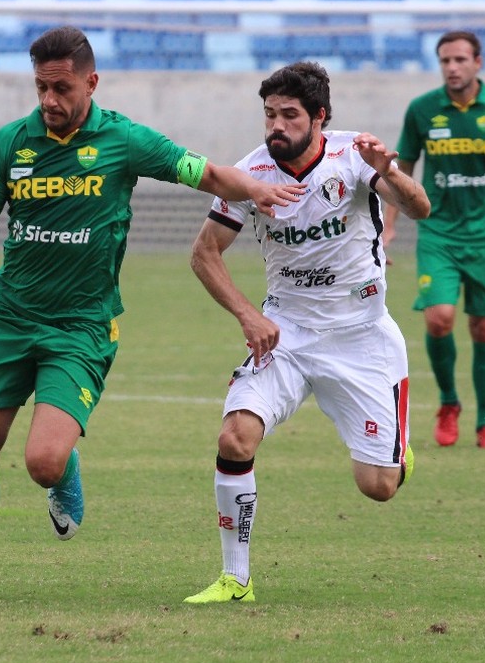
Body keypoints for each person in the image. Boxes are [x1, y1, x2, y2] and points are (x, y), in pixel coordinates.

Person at [0, 25, 305, 602]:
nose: (50, 101)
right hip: (9, 317)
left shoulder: (122, 140)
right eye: (40, 89)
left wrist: (254, 188)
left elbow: (200, 170)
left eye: (61, 88)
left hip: (81, 326)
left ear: (91, 82)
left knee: (43, 463)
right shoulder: (12, 142)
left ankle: (65, 471)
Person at [182, 62, 430, 604]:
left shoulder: (353, 156)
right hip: (285, 333)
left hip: (361, 336)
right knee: (235, 437)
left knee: (378, 487)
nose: (276, 125)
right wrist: (249, 314)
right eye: (269, 114)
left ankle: (396, 452)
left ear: (319, 117)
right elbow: (203, 254)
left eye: (289, 115)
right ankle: (235, 580)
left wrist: (389, 171)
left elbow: (420, 207)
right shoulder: (249, 174)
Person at [382, 30, 485, 450]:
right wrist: (389, 226)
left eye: (459, 59)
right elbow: (402, 170)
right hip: (438, 230)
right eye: (445, 61)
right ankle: (449, 403)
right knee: (439, 317)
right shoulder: (422, 110)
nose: (452, 67)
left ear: (478, 62)